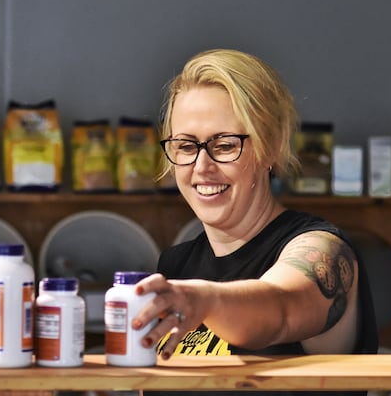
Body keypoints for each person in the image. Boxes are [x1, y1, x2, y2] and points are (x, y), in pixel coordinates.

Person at [134, 49, 378, 396]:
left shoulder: (321, 249)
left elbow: (280, 308)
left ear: (271, 147)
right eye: (186, 145)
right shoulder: (176, 264)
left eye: (224, 144)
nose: (202, 166)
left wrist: (207, 301)